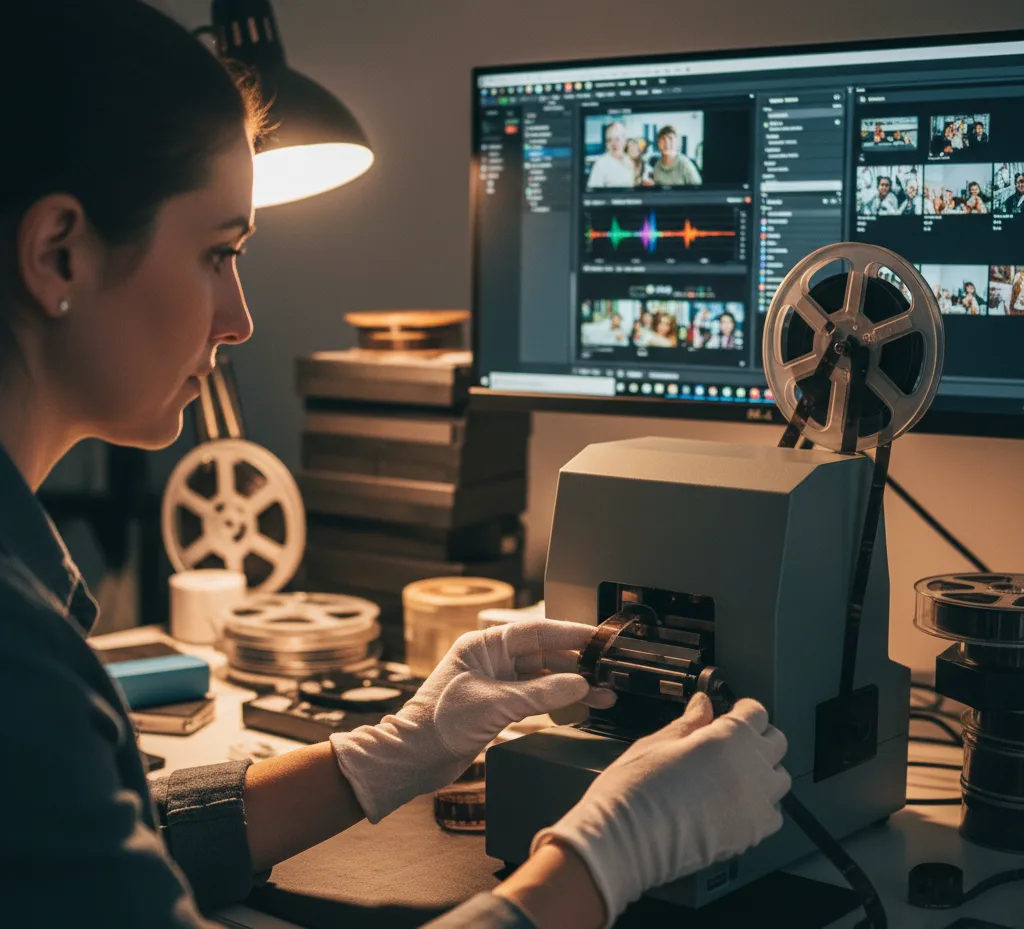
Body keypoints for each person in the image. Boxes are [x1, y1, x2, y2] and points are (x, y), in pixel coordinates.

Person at [0, 4, 791, 928]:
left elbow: (85, 857)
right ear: (58, 253)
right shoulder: (19, 660)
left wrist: (390, 749)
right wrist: (609, 854)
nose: (240, 316)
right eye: (220, 252)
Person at [586, 120, 636, 188]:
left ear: (625, 140)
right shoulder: (601, 164)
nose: (613, 144)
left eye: (617, 139)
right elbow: (592, 192)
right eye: (609, 140)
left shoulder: (629, 160)